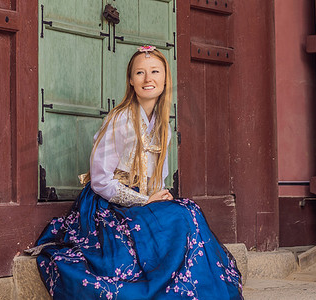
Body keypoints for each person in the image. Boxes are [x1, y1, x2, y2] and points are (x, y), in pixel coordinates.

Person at [30, 46, 244, 299]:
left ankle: (192, 289)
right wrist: (144, 202)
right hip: (107, 204)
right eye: (140, 73)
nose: (148, 78)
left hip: (142, 199)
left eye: (155, 71)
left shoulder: (162, 125)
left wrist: (158, 199)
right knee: (180, 218)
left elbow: (157, 180)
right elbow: (100, 181)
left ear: (165, 80)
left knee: (187, 212)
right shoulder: (120, 119)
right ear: (131, 81)